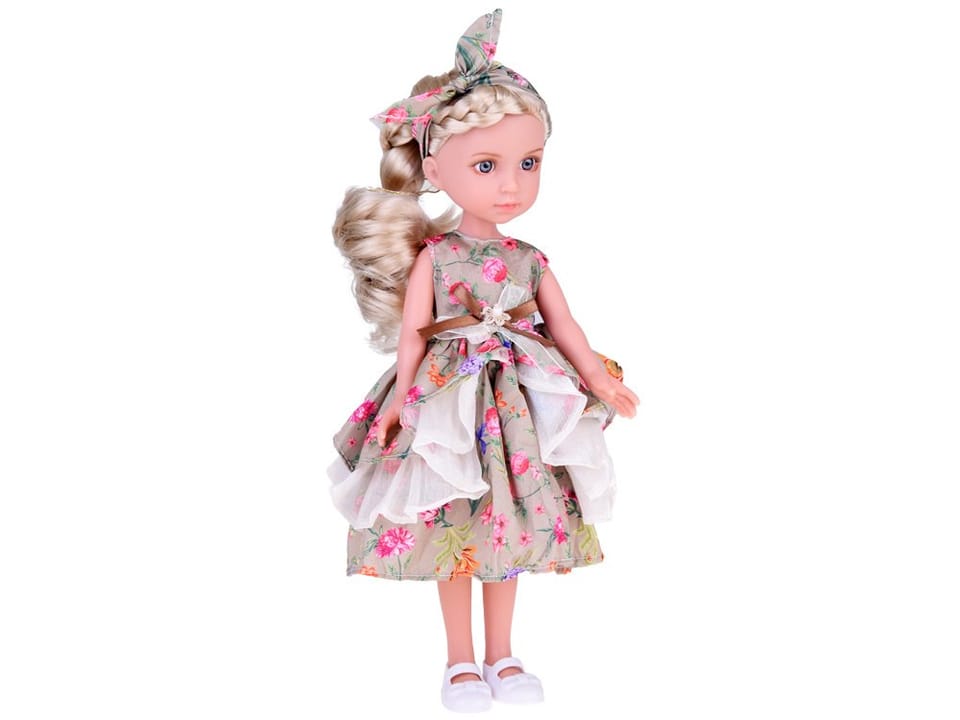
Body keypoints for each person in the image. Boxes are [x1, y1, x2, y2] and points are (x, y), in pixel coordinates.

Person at [328, 9, 639, 713]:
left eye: (529, 164)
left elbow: (564, 325)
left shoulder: (529, 258)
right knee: (452, 518)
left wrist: (597, 379)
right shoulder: (436, 256)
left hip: (516, 409)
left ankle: (504, 653)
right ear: (435, 171)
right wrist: (402, 402)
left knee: (508, 521)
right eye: (487, 166)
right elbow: (415, 334)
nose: (511, 185)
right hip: (448, 403)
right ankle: (460, 661)